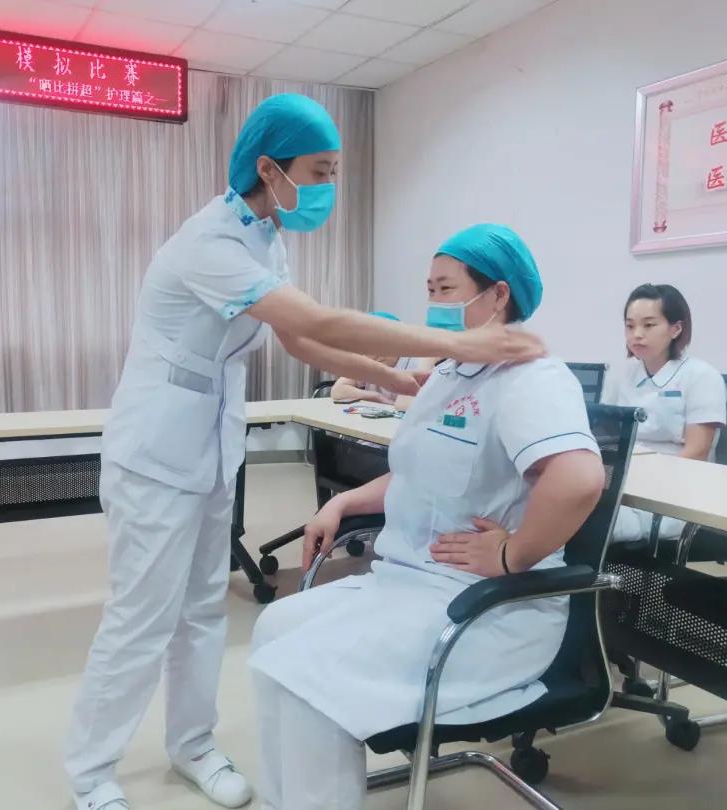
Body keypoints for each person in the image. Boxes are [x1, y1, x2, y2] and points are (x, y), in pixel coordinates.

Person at [63, 95, 546, 810]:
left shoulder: (265, 236)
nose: (328, 187)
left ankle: (193, 745)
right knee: (143, 615)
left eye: (334, 172)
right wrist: (454, 341)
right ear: (270, 168)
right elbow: (317, 319)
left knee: (202, 609)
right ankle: (92, 770)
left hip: (210, 443)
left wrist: (393, 379)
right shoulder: (210, 244)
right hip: (155, 451)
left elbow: (298, 339)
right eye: (319, 171)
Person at [248, 224, 606, 810]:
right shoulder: (447, 374)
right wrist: (343, 502)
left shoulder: (531, 377)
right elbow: (420, 472)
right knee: (274, 630)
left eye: (446, 289)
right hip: (406, 582)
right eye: (430, 289)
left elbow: (579, 479)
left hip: (483, 608)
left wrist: (512, 554)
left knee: (307, 677)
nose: (434, 304)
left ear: (498, 295)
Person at [606, 283, 727, 543]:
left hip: (672, 496)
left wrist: (640, 480)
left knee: (579, 519)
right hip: (622, 484)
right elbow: (606, 437)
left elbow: (696, 452)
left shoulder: (702, 376)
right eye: (630, 326)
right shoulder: (622, 374)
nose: (637, 334)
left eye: (649, 325)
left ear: (676, 329)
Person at [329, 311, 433, 411]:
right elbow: (337, 391)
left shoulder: (417, 361)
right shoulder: (367, 361)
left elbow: (413, 405)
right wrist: (376, 396)